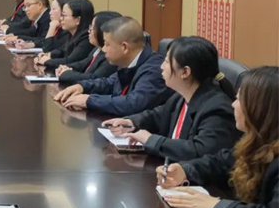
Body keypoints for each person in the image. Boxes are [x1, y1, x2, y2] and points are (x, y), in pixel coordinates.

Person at [157, 66, 278, 208]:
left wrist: (215, 206)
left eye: (239, 99)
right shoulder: (256, 141)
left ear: (260, 109)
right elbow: (221, 163)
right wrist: (185, 170)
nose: (233, 105)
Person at [102, 37, 239, 162]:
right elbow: (160, 115)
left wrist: (151, 140)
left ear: (185, 72)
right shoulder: (183, 94)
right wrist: (131, 122)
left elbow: (200, 151)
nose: (161, 67)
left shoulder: (216, 109)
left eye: (167, 62)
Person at [53, 16, 172, 115]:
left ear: (124, 47)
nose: (103, 49)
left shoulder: (154, 69)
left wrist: (89, 100)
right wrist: (82, 87)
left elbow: (133, 104)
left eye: (107, 44)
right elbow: (109, 83)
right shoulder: (128, 61)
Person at [55, 11, 121, 84]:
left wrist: (66, 73)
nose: (89, 31)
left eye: (92, 28)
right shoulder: (97, 49)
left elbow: (94, 78)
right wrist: (65, 67)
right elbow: (82, 64)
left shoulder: (111, 56)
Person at [36, 0, 95, 68]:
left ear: (78, 20)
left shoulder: (86, 38)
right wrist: (49, 54)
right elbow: (62, 51)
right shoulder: (71, 33)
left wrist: (47, 61)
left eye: (64, 15)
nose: (61, 19)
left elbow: (71, 60)